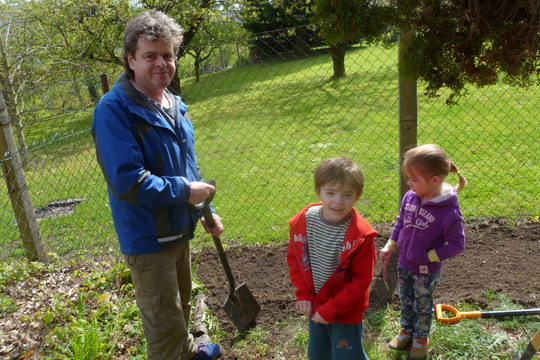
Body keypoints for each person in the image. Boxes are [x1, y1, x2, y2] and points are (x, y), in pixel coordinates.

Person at [92, 11, 222, 360]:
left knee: (176, 311)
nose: (162, 63)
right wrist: (184, 192)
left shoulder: (175, 104)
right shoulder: (114, 109)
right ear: (131, 60)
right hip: (149, 240)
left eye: (168, 54)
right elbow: (127, 180)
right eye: (150, 55)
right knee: (164, 336)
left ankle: (191, 350)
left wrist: (205, 209)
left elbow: (188, 168)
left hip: (180, 230)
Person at [379, 144, 467, 360]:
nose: (409, 183)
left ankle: (421, 338)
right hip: (404, 264)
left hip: (426, 270)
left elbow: (457, 244)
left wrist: (429, 257)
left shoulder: (449, 212)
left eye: (413, 179)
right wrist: (390, 245)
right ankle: (406, 331)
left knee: (423, 303)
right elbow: (401, 222)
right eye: (408, 178)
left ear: (435, 180)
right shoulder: (410, 197)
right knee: (406, 299)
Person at [287, 156, 378, 360]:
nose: (338, 201)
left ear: (357, 197)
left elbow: (361, 281)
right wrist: (303, 293)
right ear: (318, 192)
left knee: (347, 356)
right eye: (330, 193)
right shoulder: (304, 221)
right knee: (318, 354)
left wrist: (332, 308)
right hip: (316, 304)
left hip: (345, 310)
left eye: (347, 195)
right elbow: (295, 260)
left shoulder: (361, 236)